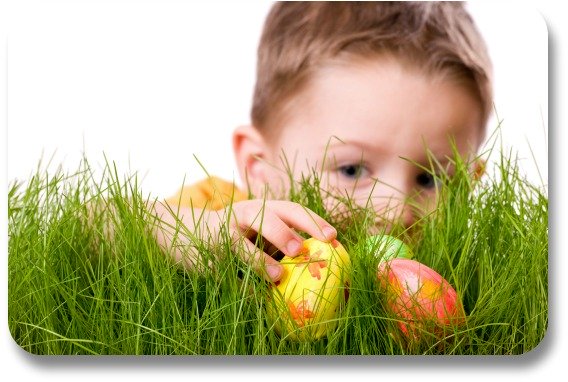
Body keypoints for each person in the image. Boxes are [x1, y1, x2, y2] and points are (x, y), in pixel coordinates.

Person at [151, 2, 493, 283]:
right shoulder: (222, 215)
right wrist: (174, 233)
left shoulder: (461, 267)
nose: (396, 210)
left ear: (471, 181)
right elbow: (100, 223)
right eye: (352, 169)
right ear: (260, 167)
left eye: (431, 178)